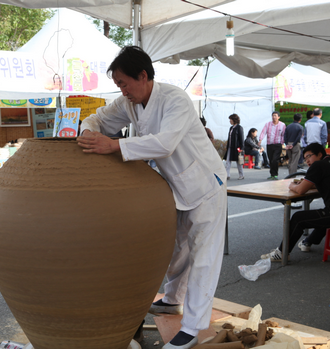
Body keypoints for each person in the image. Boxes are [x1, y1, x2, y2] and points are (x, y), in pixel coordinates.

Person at [76, 46, 227, 349]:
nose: (122, 90)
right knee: (179, 250)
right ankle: (172, 301)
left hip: (205, 186)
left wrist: (115, 146)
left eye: (124, 83)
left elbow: (165, 144)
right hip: (175, 188)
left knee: (202, 257)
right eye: (118, 85)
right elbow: (100, 119)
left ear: (143, 76)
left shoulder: (175, 100)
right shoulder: (129, 103)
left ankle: (193, 328)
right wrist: (88, 132)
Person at [261, 143, 330, 261]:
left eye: (309, 156)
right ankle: (308, 242)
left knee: (298, 218)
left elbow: (300, 190)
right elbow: (322, 183)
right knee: (321, 215)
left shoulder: (318, 165)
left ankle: (282, 252)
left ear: (319, 154)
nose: (307, 161)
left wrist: (292, 186)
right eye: (305, 158)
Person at [259, 111, 286, 180]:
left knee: (275, 160)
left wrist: (283, 142)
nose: (274, 117)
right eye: (273, 116)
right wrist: (260, 139)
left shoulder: (282, 125)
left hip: (278, 145)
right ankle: (272, 174)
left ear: (278, 117)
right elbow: (263, 132)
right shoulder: (268, 124)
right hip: (269, 144)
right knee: (271, 160)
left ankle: (275, 174)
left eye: (275, 116)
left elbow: (284, 134)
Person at [224, 114, 245, 180]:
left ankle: (241, 175)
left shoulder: (239, 128)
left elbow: (241, 138)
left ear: (234, 120)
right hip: (230, 147)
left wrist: (242, 147)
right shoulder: (231, 128)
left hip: (237, 147)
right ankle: (227, 175)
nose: (230, 121)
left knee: (239, 162)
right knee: (228, 161)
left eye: (231, 120)